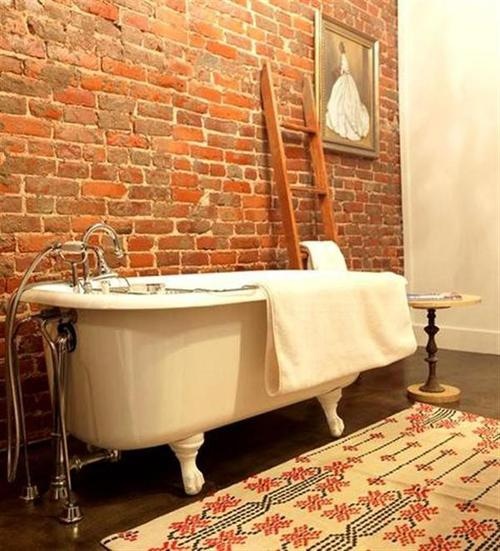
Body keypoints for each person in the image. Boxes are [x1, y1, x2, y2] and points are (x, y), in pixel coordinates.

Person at [325, 41, 369, 141]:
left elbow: (344, 66)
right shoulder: (342, 67)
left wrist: (342, 57)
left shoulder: (344, 61)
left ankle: (352, 124)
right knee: (339, 102)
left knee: (347, 103)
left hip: (346, 82)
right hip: (343, 81)